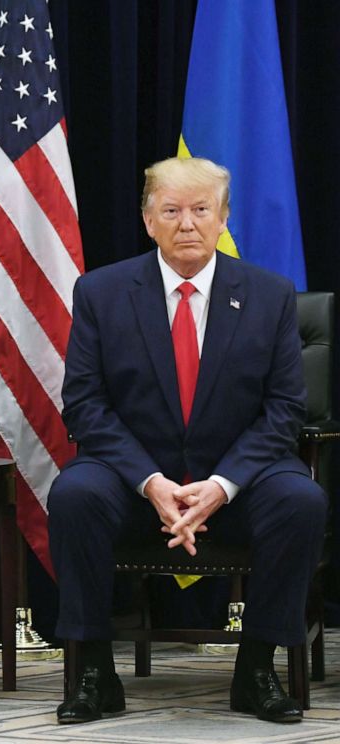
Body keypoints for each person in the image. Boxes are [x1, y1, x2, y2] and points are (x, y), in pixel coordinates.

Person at [48, 157, 326, 725]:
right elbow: (85, 404)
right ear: (148, 220)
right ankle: (94, 672)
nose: (187, 224)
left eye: (201, 210)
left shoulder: (269, 295)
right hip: (131, 482)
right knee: (74, 495)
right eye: (171, 210)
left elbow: (284, 410)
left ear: (223, 218)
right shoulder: (101, 292)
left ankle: (257, 669)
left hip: (241, 483)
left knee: (301, 500)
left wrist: (221, 485)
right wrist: (151, 482)